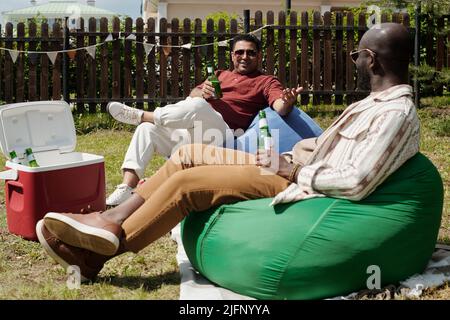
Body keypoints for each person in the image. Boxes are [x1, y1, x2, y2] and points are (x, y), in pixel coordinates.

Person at [37, 23, 420, 282]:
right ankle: (110, 218)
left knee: (189, 183)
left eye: (356, 56)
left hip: (299, 180)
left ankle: (95, 257)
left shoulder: (394, 113)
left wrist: (292, 168)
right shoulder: (374, 102)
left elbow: (356, 181)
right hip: (289, 163)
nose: (354, 61)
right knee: (188, 156)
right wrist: (297, 153)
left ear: (371, 59)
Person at [105, 33, 303, 206]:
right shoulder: (219, 74)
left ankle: (141, 115)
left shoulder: (266, 81)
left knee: (197, 106)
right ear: (232, 55)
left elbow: (280, 106)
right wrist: (202, 91)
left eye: (250, 52)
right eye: (239, 52)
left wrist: (287, 102)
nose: (245, 56)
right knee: (147, 129)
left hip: (222, 136)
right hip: (194, 134)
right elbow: (192, 95)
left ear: (258, 56)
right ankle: (126, 188)